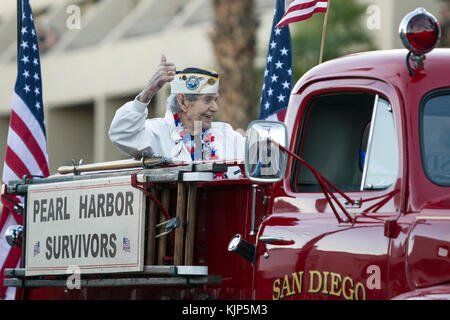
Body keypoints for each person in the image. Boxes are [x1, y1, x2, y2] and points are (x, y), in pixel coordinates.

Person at [109, 55, 245, 178]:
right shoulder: (158, 132)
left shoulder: (226, 134)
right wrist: (148, 92)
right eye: (207, 100)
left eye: (216, 100)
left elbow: (256, 153)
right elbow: (122, 134)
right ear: (183, 101)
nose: (215, 108)